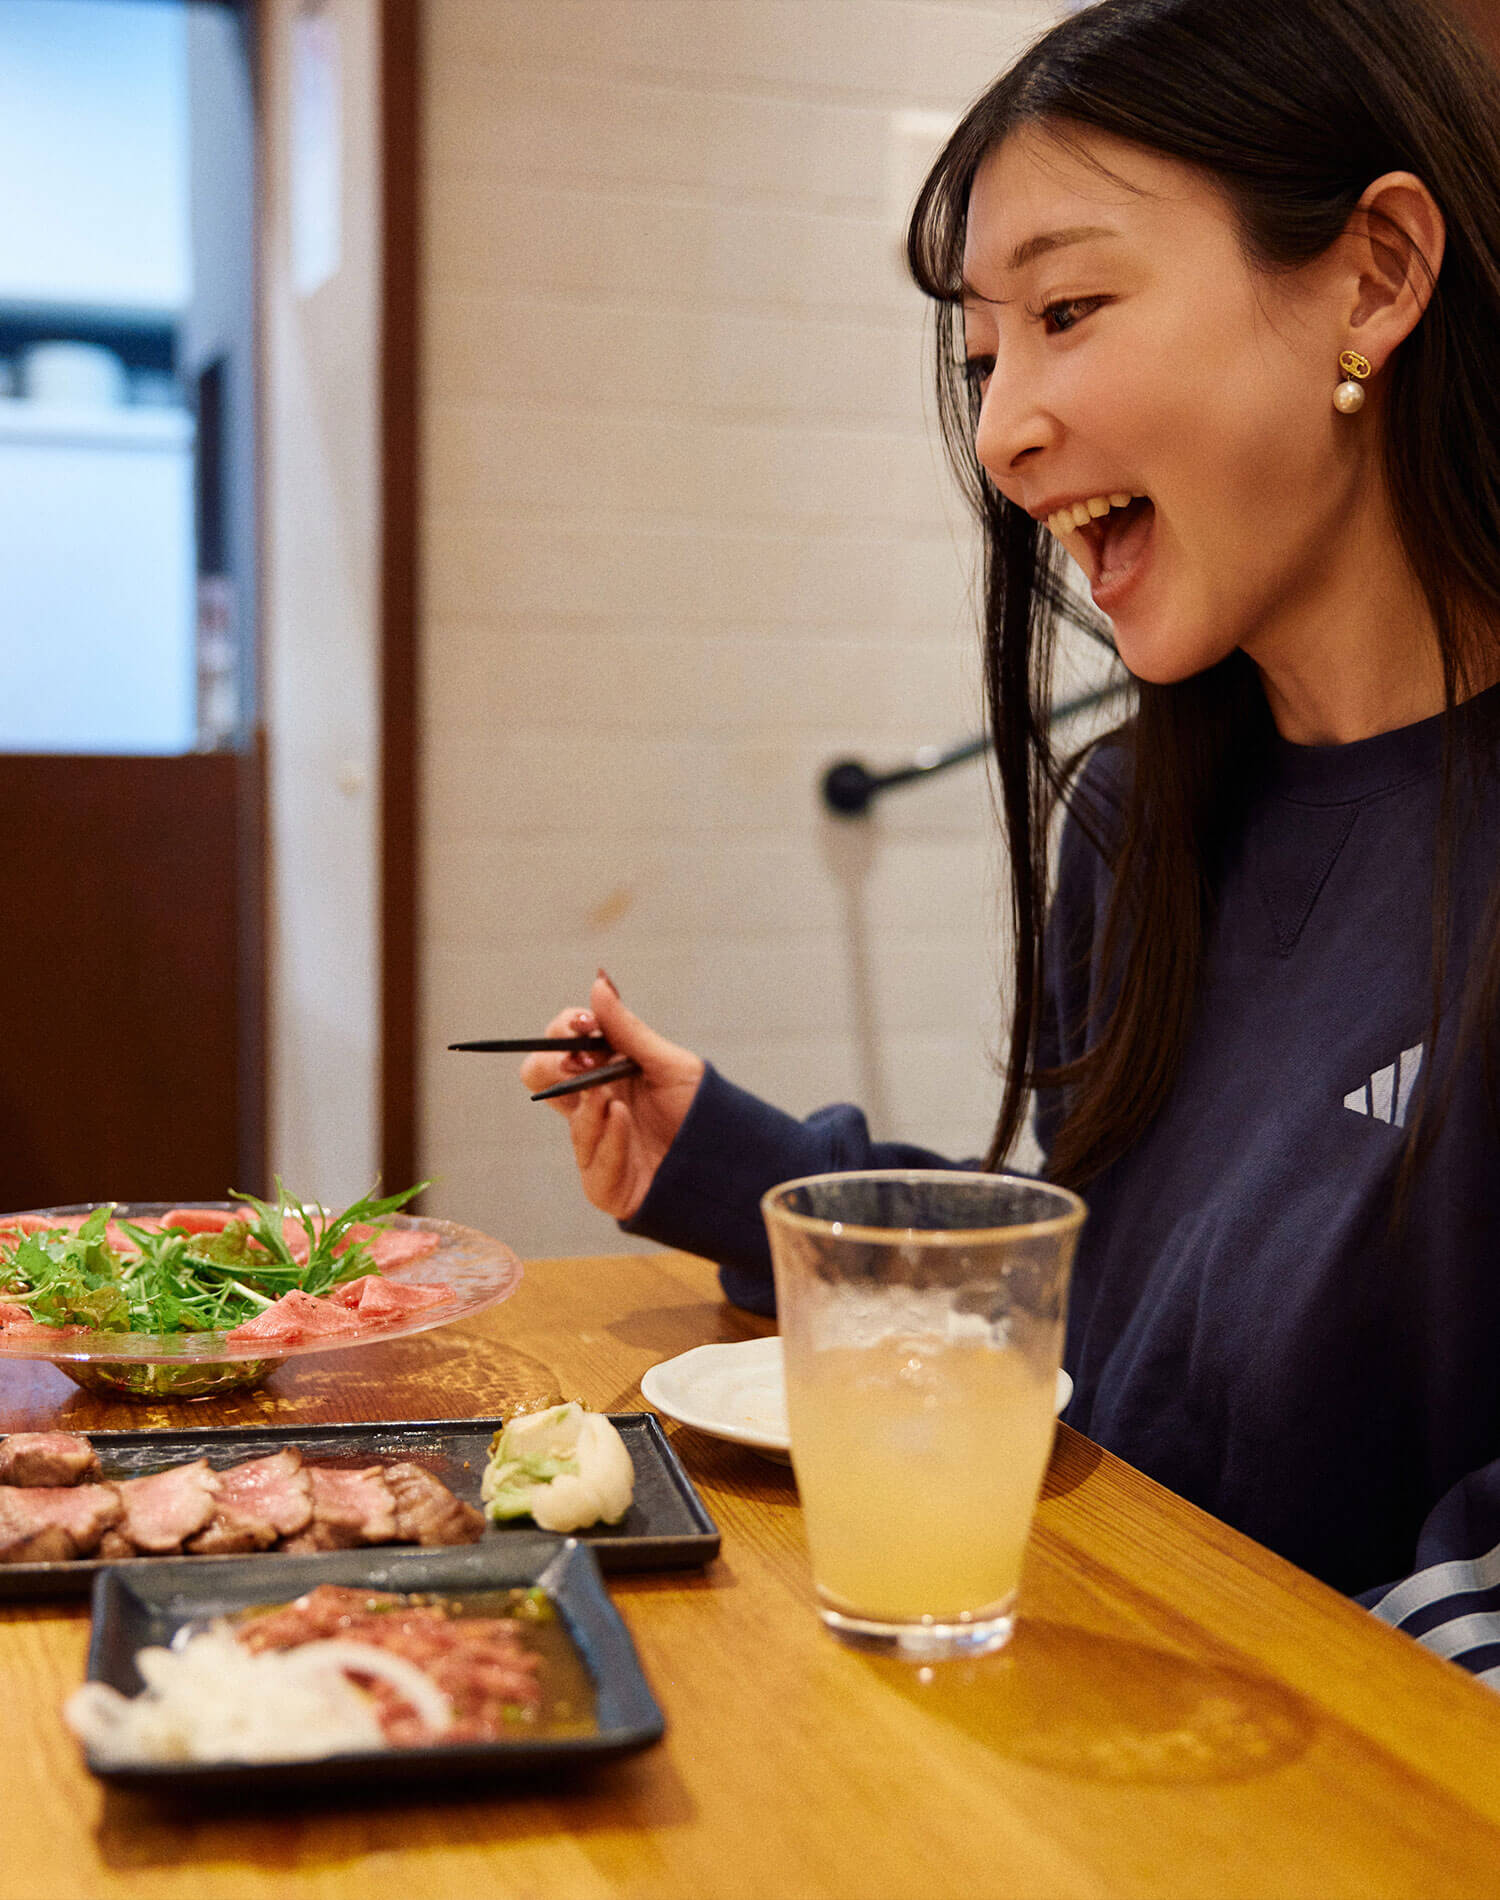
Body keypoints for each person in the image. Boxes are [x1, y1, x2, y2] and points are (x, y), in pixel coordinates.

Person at [520, 0, 1500, 1680]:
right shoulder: (1141, 821)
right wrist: (740, 1164)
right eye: (986, 358)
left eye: (1068, 310)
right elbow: (1108, 1292)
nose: (1001, 431)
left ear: (1376, 277)